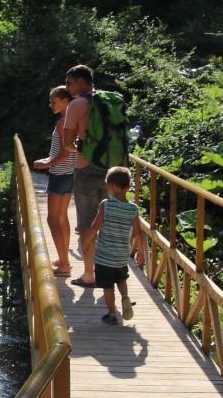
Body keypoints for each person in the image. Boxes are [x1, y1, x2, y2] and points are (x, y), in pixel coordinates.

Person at [60, 63, 107, 286]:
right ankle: (111, 273)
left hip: (87, 170)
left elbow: (67, 142)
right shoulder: (110, 100)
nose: (67, 87)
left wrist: (80, 147)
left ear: (81, 81)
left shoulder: (76, 105)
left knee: (87, 223)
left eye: (69, 83)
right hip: (112, 169)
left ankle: (90, 274)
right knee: (108, 220)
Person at [82, 165, 145, 324]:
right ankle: (125, 297)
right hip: (122, 255)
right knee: (121, 279)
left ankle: (111, 313)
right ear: (127, 186)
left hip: (104, 256)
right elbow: (138, 233)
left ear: (111, 186)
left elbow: (95, 226)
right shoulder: (133, 209)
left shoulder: (106, 205)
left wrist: (87, 243)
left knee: (107, 285)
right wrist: (142, 252)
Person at [33, 85, 75, 275]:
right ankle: (64, 258)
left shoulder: (62, 123)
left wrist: (46, 163)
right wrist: (49, 160)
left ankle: (65, 264)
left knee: (52, 219)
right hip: (71, 173)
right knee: (62, 217)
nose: (51, 105)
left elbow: (65, 153)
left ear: (65, 101)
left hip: (60, 174)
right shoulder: (75, 120)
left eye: (54, 101)